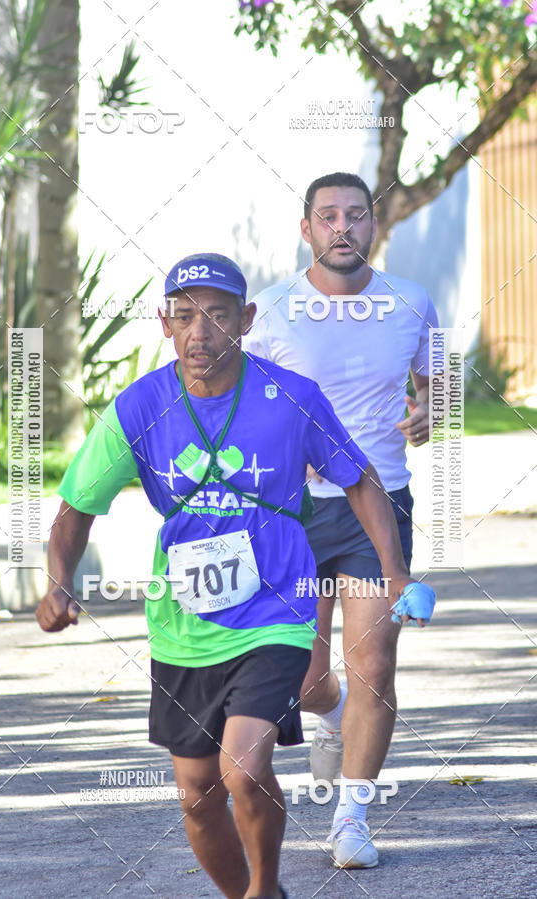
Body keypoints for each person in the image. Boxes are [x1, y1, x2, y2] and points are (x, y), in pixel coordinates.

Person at [36, 252, 421, 897]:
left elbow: (360, 481)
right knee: (196, 793)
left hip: (276, 611)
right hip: (183, 622)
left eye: (216, 315)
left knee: (242, 766)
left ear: (244, 321)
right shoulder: (138, 407)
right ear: (164, 324)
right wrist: (60, 582)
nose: (200, 331)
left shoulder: (290, 397)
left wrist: (395, 574)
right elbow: (75, 509)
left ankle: (264, 887)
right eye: (184, 316)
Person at [243, 172, 439, 869]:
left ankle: (352, 817)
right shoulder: (268, 311)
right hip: (290, 516)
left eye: (356, 215)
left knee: (374, 663)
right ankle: (334, 716)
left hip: (377, 508)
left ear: (372, 226)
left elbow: (436, 385)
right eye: (328, 216)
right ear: (307, 230)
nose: (342, 228)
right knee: (303, 678)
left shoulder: (411, 303)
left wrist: (428, 413)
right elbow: (239, 406)